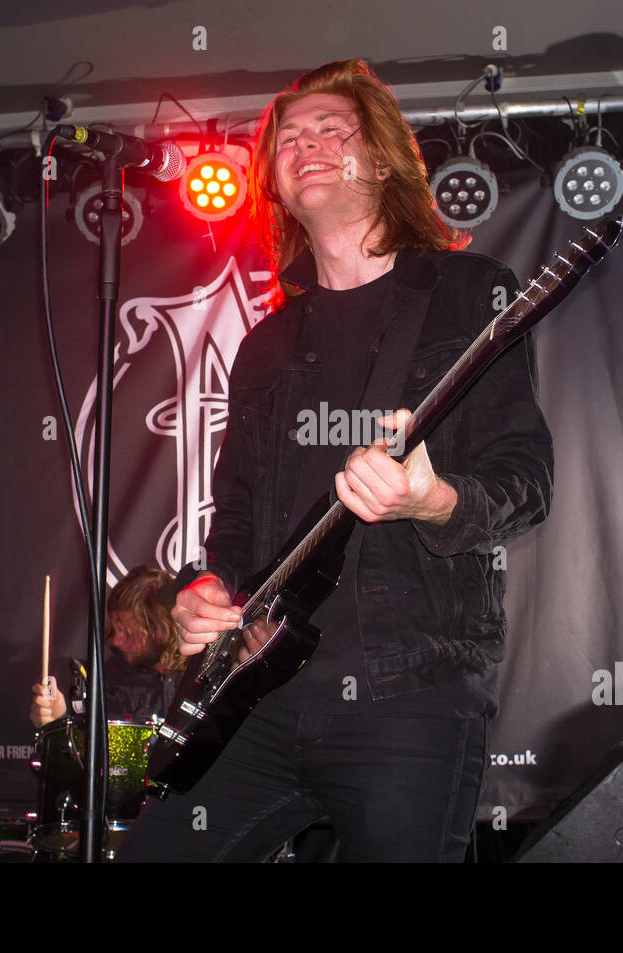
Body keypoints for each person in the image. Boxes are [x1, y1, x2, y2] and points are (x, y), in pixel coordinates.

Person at [120, 59, 553, 862]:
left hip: (410, 697)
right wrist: (208, 593)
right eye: (288, 137)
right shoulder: (268, 343)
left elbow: (528, 478)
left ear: (382, 158)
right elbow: (239, 518)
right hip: (259, 694)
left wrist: (433, 499)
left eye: (331, 129)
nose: (305, 144)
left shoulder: (469, 293)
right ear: (276, 184)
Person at [29, 564, 183, 727]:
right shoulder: (108, 680)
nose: (116, 641)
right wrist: (58, 720)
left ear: (161, 630)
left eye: (126, 632)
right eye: (115, 628)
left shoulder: (198, 677)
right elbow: (87, 745)